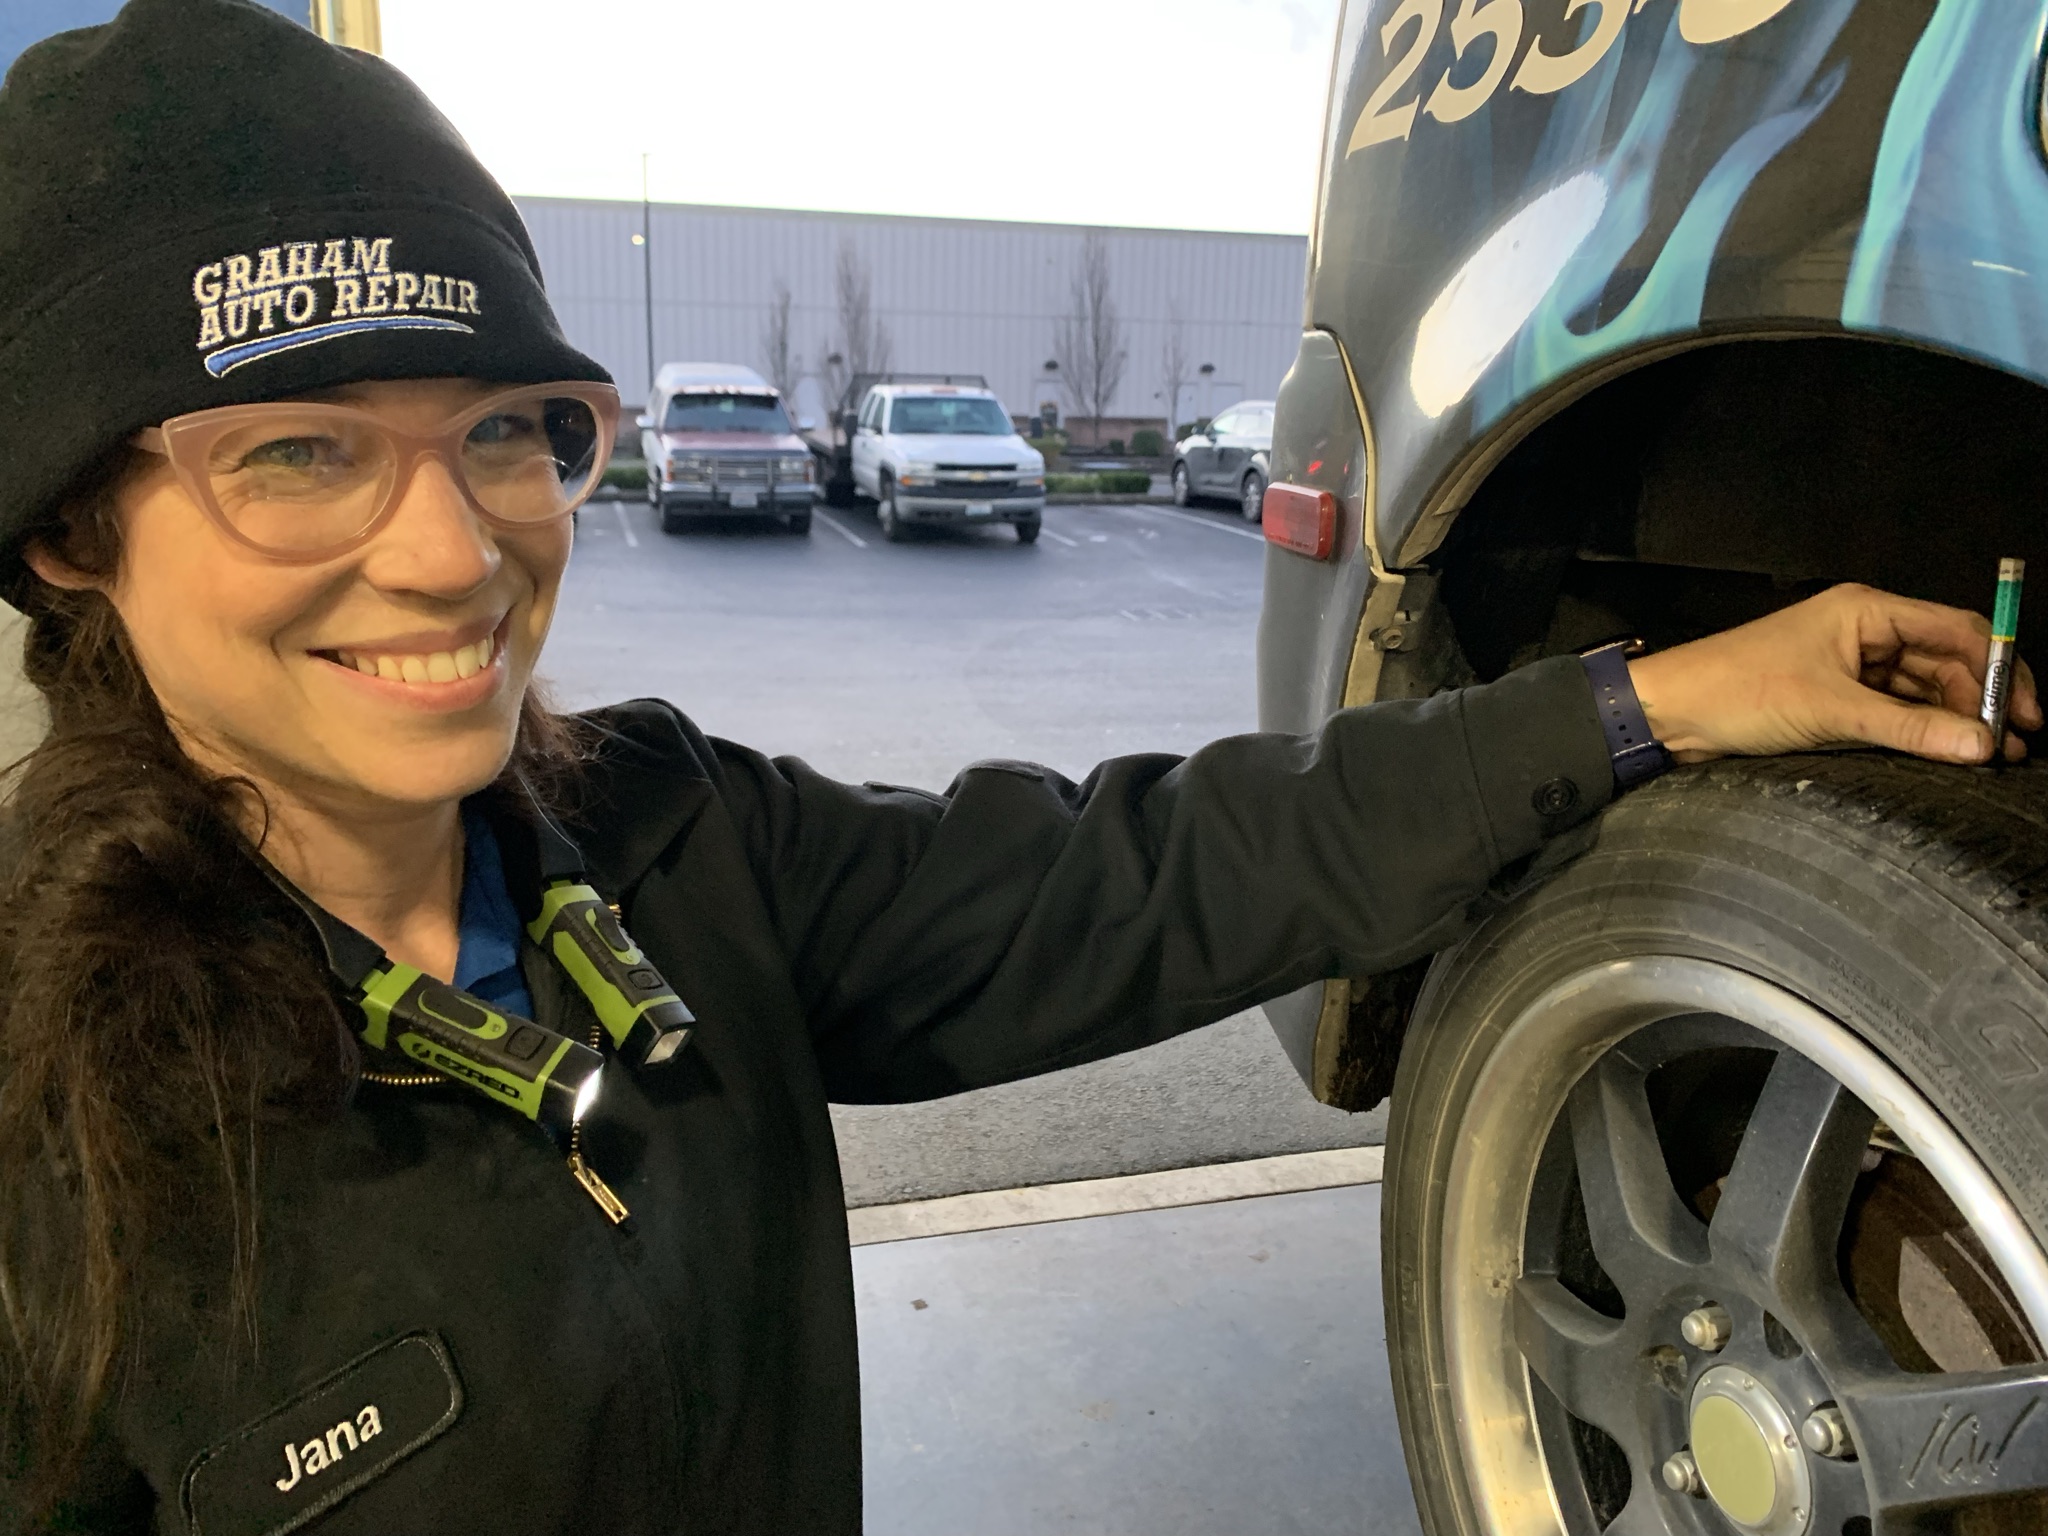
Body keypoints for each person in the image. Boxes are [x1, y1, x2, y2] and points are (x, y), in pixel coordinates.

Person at [0, 3, 2036, 1533]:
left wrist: (1657, 698)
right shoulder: (40, 1122)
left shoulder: (665, 843)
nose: (454, 549)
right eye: (296, 452)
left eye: (508, 430)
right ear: (71, 530)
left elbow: (1158, 871)